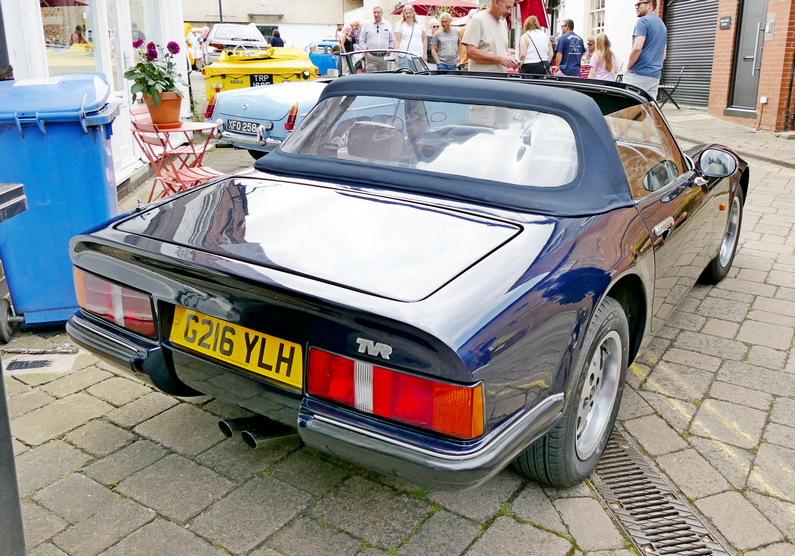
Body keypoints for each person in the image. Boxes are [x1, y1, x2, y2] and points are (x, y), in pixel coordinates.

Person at [624, 0, 667, 99]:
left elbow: (637, 47)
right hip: (655, 75)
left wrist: (628, 67)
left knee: (629, 106)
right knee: (648, 107)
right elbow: (664, 54)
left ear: (650, 4)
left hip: (638, 74)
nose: (636, 7)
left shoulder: (643, 21)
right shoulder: (662, 25)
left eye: (639, 4)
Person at [462, 0, 519, 73]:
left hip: (499, 77)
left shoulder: (503, 22)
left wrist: (510, 60)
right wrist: (500, 59)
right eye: (507, 7)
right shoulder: (478, 20)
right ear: (496, 2)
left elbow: (500, 50)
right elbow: (471, 52)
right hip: (482, 77)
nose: (509, 11)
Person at [360, 5, 394, 71]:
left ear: (382, 13)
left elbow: (392, 40)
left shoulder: (387, 24)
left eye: (378, 12)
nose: (376, 14)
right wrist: (367, 53)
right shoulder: (367, 24)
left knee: (384, 76)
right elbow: (362, 40)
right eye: (374, 12)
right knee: (372, 76)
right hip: (371, 57)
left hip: (384, 57)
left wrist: (389, 52)